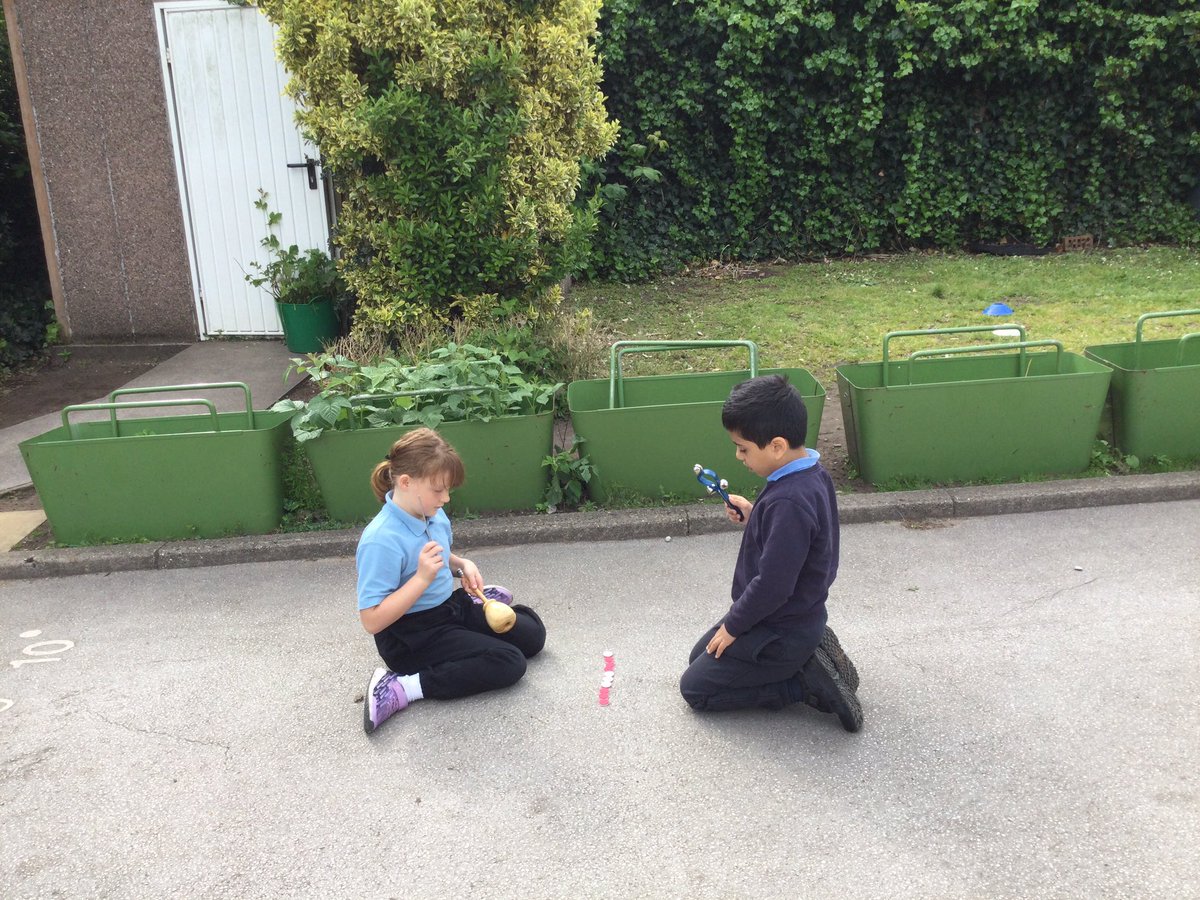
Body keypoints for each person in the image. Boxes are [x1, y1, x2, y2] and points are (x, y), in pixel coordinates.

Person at [679, 374, 863, 731]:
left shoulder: (789, 500)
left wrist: (734, 625)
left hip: (780, 626)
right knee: (696, 658)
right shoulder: (808, 473)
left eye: (743, 447)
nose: (738, 455)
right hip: (793, 616)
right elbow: (800, 543)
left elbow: (774, 584)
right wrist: (754, 514)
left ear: (777, 445)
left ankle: (802, 684)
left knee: (695, 689)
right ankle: (810, 651)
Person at [356, 427, 546, 734]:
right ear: (406, 482)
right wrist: (421, 579)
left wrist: (461, 566)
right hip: (411, 635)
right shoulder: (380, 540)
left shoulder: (430, 511)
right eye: (438, 490)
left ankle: (479, 601)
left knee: (532, 636)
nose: (445, 498)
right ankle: (401, 688)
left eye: (448, 490)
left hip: (447, 607)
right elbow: (371, 620)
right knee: (510, 663)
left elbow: (440, 557)